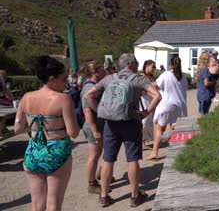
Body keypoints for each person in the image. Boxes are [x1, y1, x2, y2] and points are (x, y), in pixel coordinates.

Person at [85, 53, 161, 207]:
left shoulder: (109, 79)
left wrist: (100, 110)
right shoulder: (138, 79)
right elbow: (157, 95)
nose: (138, 65)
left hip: (110, 124)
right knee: (132, 159)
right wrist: (146, 112)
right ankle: (134, 196)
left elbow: (88, 96)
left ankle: (104, 196)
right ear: (131, 64)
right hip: (131, 122)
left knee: (107, 159)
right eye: (137, 62)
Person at [14, 56, 80, 210]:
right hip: (57, 152)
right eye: (64, 79)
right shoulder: (63, 99)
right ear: (52, 79)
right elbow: (74, 132)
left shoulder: (26, 97)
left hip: (33, 152)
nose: (67, 83)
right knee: (53, 205)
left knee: (37, 205)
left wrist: (36, 127)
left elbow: (17, 129)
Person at [146, 57, 188, 160]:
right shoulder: (184, 77)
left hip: (166, 104)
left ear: (170, 65)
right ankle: (179, 151)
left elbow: (153, 86)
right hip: (180, 106)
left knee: (160, 129)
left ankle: (154, 152)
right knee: (176, 128)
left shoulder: (166, 74)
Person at [79, 61, 107, 194]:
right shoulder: (88, 87)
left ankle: (103, 174)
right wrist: (95, 130)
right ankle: (92, 183)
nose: (105, 71)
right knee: (94, 155)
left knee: (99, 152)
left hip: (98, 125)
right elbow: (87, 110)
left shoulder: (95, 85)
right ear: (96, 71)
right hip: (93, 126)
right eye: (102, 69)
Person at [140, 60, 157, 150]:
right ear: (147, 66)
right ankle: (142, 142)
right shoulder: (142, 77)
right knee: (144, 122)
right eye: (153, 66)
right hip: (143, 101)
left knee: (149, 122)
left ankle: (145, 141)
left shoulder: (151, 77)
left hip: (151, 101)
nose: (154, 68)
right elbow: (140, 90)